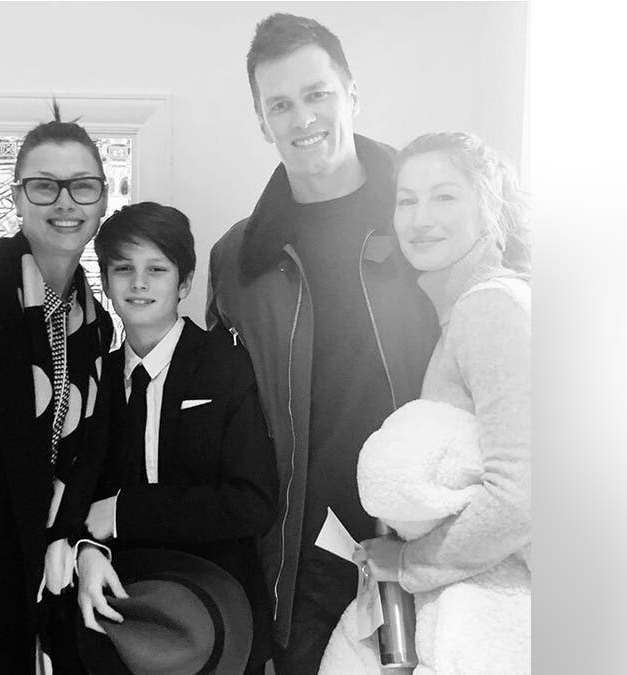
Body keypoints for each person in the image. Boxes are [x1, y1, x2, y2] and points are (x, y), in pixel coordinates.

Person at [206, 13, 438, 674]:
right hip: (307, 553)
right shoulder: (238, 261)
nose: (302, 117)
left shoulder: (431, 220)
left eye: (317, 94)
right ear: (262, 122)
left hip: (431, 535)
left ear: (351, 94)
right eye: (280, 104)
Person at [335, 131, 532, 673]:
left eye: (445, 196)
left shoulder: (491, 310)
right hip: (472, 608)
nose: (420, 218)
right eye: (406, 200)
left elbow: (523, 495)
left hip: (497, 621)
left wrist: (408, 562)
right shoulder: (461, 313)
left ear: (490, 209)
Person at [56, 201, 278, 673]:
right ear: (107, 283)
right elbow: (80, 491)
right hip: (130, 615)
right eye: (123, 269)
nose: (138, 283)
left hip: (218, 612)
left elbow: (250, 503)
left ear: (184, 282)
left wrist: (122, 512)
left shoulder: (226, 364)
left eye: (156, 269)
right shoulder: (97, 377)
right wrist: (89, 548)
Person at [0, 104, 115, 673]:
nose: (64, 202)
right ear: (16, 198)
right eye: (43, 186)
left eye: (81, 186)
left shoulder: (98, 325)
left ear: (102, 201)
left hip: (48, 568)